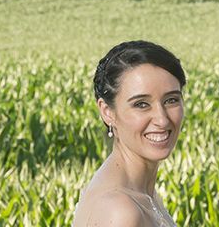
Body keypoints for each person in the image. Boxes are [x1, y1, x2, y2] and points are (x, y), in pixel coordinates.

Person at [73, 40, 185, 227]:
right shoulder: (121, 212)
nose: (162, 119)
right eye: (141, 104)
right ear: (107, 112)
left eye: (171, 100)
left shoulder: (142, 194)